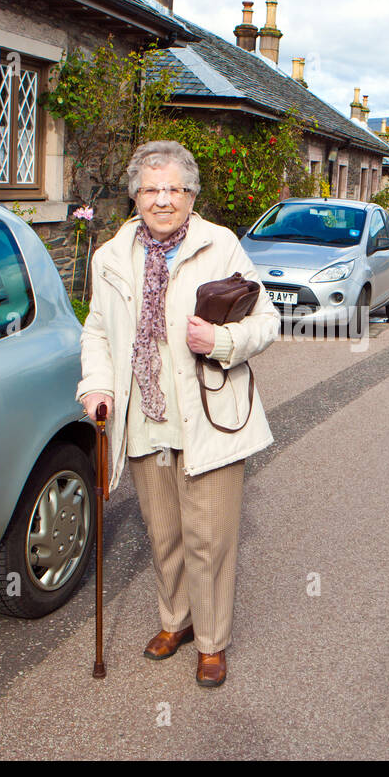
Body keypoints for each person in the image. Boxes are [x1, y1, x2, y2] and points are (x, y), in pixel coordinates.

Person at [77, 140, 279, 689]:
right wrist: (96, 387)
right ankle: (177, 620)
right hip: (144, 419)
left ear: (191, 194)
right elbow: (96, 330)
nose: (162, 200)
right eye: (150, 189)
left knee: (209, 536)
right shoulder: (111, 258)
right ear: (135, 196)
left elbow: (266, 321)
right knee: (163, 534)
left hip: (210, 416)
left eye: (173, 189)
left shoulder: (222, 245)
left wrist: (220, 339)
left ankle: (211, 642)